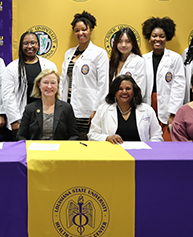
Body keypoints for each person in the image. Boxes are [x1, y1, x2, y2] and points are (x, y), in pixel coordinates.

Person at [60, 11, 109, 139]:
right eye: (77, 30)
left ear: (91, 30)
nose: (80, 33)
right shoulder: (69, 53)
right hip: (69, 109)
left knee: (87, 143)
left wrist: (97, 110)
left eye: (84, 29)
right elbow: (63, 82)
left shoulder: (99, 53)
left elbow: (103, 84)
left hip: (88, 109)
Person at [2, 31, 59, 136]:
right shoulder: (11, 68)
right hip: (22, 119)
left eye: (33, 43)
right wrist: (14, 120)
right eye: (26, 43)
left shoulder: (49, 65)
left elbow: (57, 92)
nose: (30, 46)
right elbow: (8, 96)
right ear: (21, 45)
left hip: (46, 117)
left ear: (38, 44)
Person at [141, 17, 186, 141]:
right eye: (154, 36)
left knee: (166, 142)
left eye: (162, 36)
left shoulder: (175, 58)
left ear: (167, 38)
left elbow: (179, 86)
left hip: (167, 105)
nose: (158, 39)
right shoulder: (142, 59)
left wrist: (173, 112)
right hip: (148, 103)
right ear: (149, 37)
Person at [88, 75, 163, 143]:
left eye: (128, 88)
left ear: (134, 91)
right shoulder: (103, 109)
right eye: (120, 89)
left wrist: (149, 150)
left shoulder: (147, 110)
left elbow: (157, 135)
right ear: (114, 92)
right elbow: (92, 135)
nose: (124, 92)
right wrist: (107, 138)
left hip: (140, 154)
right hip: (113, 154)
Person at [17, 69, 78, 141]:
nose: (49, 86)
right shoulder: (30, 108)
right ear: (39, 84)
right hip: (36, 150)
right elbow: (20, 136)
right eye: (45, 82)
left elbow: (74, 135)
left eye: (53, 83)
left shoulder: (66, 108)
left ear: (58, 85)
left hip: (59, 150)